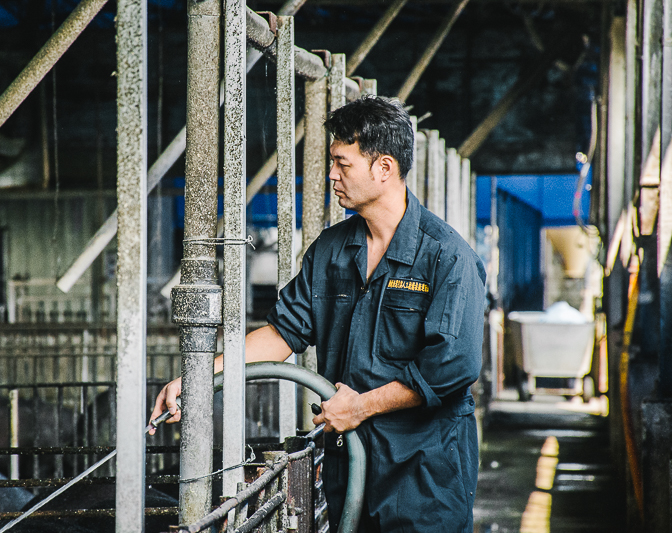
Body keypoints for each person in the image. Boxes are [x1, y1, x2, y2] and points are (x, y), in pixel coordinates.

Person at [150, 96, 486, 532]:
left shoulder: (446, 256)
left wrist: (361, 407)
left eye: (342, 163)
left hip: (425, 471)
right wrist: (197, 380)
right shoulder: (331, 250)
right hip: (353, 466)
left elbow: (452, 367)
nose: (331, 175)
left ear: (383, 168)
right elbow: (282, 332)